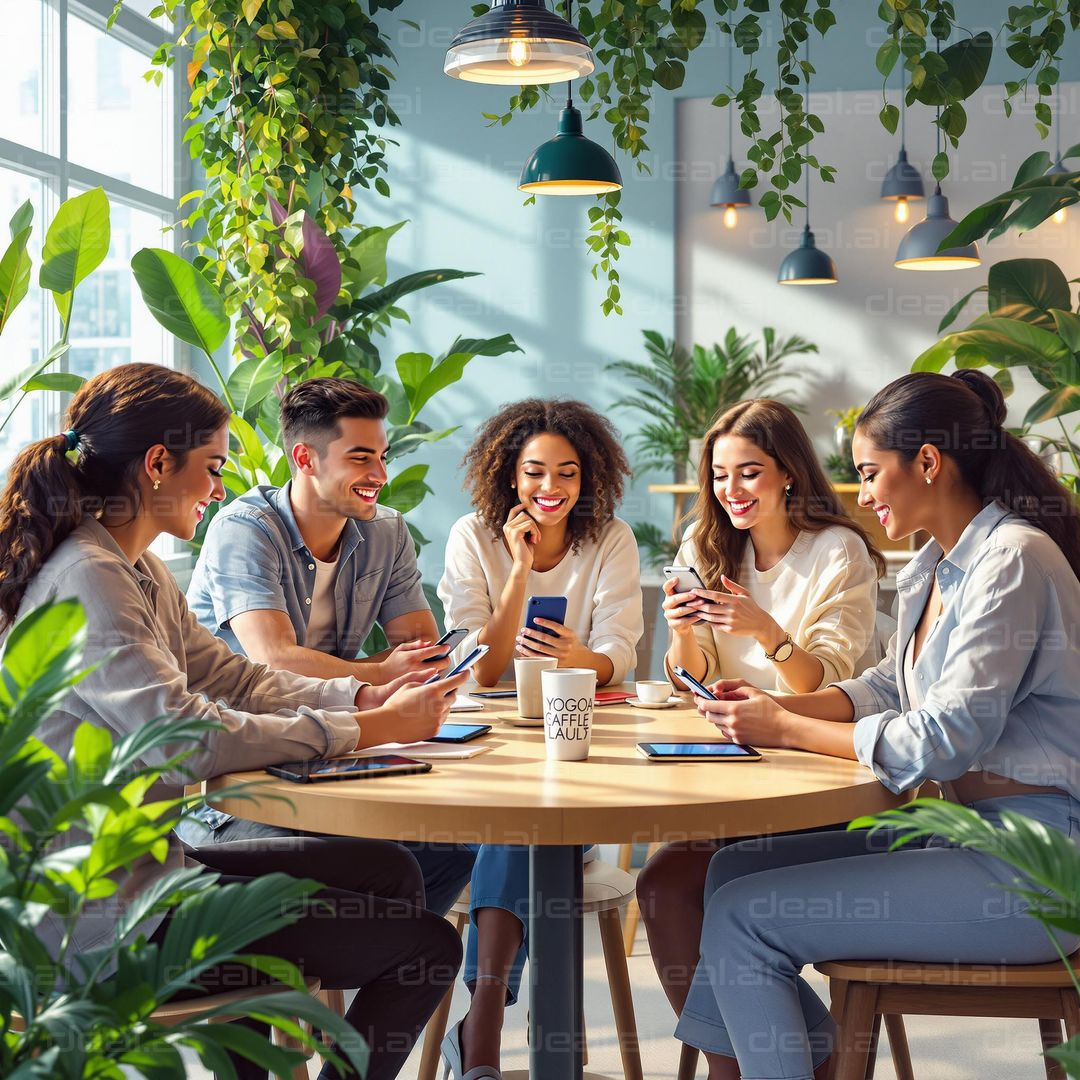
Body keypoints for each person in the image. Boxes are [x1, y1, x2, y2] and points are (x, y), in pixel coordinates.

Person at [0, 363, 468, 1080]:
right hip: (105, 922)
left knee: (387, 870)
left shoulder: (136, 566)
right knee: (429, 947)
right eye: (212, 467)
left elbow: (228, 678)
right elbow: (189, 735)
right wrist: (365, 732)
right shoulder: (89, 576)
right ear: (158, 465)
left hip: (154, 875)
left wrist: (357, 701)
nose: (220, 488)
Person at [675, 370, 1080, 1080]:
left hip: (1039, 862)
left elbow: (943, 738)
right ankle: (803, 1060)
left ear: (927, 461)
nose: (861, 496)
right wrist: (769, 710)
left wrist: (787, 729)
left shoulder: (1014, 559)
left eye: (869, 473)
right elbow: (891, 684)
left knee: (744, 916)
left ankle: (798, 1061)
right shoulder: (935, 565)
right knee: (731, 869)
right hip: (967, 831)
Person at [183, 377, 473, 917]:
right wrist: (381, 676)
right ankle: (332, 977)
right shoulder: (245, 529)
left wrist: (419, 666)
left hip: (339, 752)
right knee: (374, 864)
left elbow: (418, 642)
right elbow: (271, 658)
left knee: (447, 855)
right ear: (305, 458)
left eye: (383, 457)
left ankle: (370, 972)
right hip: (242, 777)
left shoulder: (385, 531)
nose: (380, 476)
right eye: (362, 458)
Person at [638, 398, 885, 1018]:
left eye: (749, 472)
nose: (731, 490)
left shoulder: (837, 551)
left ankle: (794, 1056)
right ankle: (750, 1061)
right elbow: (689, 678)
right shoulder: (706, 543)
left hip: (819, 782)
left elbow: (831, 686)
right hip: (730, 770)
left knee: (711, 889)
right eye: (720, 476)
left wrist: (765, 630)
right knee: (663, 884)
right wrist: (685, 634)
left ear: (788, 473)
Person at [436, 398, 644, 1077]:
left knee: (523, 822)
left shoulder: (609, 539)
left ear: (590, 479)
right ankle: (495, 1024)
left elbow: (621, 657)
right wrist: (519, 574)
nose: (550, 490)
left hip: (578, 756)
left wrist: (580, 654)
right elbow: (480, 668)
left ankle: (484, 1026)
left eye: (568, 474)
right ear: (509, 474)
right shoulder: (474, 535)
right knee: (510, 817)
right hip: (488, 759)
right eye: (534, 473)